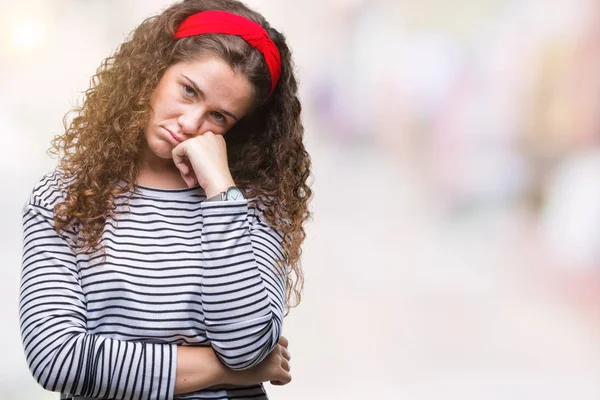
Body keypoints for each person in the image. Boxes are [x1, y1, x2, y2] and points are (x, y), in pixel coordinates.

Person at [19, 0, 312, 399]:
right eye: (188, 91)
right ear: (153, 73)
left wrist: (221, 191)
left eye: (219, 117)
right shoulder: (64, 198)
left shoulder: (254, 203)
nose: (191, 124)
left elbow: (245, 347)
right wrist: (224, 370)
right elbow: (58, 359)